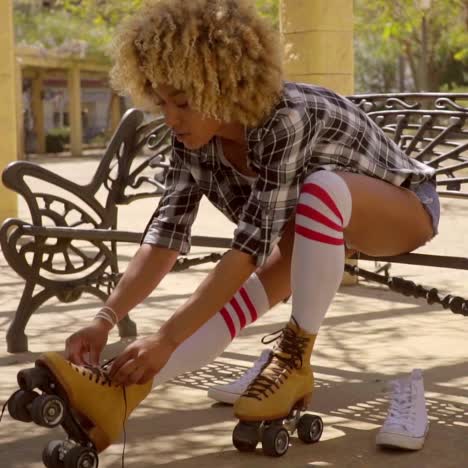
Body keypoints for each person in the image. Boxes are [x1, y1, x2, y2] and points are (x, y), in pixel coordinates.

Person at [44, 0, 439, 453]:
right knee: (238, 300)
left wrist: (167, 335)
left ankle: (294, 359)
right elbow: (165, 237)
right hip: (316, 229)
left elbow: (248, 248)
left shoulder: (284, 118)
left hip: (402, 209)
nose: (170, 117)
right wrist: (104, 318)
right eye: (162, 101)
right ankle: (120, 392)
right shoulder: (192, 142)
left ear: (223, 86)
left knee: (322, 188)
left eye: (184, 102)